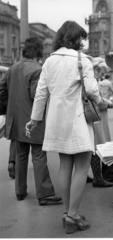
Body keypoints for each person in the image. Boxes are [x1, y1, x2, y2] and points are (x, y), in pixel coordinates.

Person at [25, 21, 113, 234]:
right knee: (82, 168)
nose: (82, 42)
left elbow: (41, 93)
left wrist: (34, 119)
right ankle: (73, 215)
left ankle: (67, 212)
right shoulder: (82, 60)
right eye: (81, 38)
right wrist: (105, 102)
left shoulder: (49, 61)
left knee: (65, 167)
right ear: (75, 39)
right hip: (77, 120)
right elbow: (93, 90)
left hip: (57, 122)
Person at [0, 37, 62, 205]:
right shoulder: (38, 70)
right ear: (39, 51)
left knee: (20, 156)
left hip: (15, 120)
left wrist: (9, 107)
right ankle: (45, 194)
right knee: (39, 155)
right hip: (33, 121)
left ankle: (20, 191)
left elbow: (1, 90)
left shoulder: (12, 68)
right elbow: (37, 97)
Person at [90, 57, 113, 188]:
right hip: (96, 117)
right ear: (96, 69)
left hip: (96, 117)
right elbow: (98, 101)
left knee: (94, 147)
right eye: (101, 72)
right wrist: (109, 103)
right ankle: (98, 178)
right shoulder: (92, 82)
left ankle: (96, 176)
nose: (102, 75)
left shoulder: (92, 81)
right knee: (96, 147)